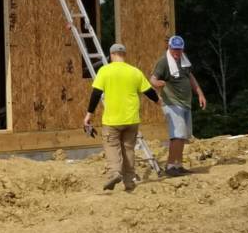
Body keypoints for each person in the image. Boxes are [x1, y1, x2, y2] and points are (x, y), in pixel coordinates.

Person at [83, 43, 161, 192]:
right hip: (131, 120)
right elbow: (149, 91)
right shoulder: (135, 72)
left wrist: (88, 115)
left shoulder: (105, 71)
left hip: (112, 120)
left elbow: (96, 94)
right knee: (128, 149)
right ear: (124, 55)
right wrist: (159, 101)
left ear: (112, 55)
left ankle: (115, 172)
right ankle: (129, 182)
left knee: (112, 146)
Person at [149, 34, 206, 177]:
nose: (176, 53)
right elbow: (152, 79)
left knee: (182, 136)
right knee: (177, 136)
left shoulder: (183, 60)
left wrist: (199, 93)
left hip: (185, 103)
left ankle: (178, 165)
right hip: (172, 103)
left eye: (179, 50)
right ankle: (170, 166)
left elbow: (190, 76)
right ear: (169, 48)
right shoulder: (163, 62)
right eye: (174, 50)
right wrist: (158, 84)